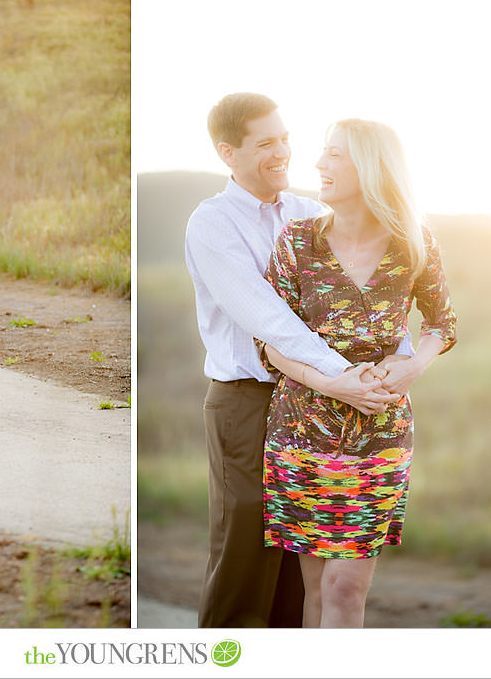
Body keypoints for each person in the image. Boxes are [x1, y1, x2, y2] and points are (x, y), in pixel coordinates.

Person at [184, 93, 407, 628]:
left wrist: (383, 366)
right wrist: (343, 378)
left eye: (284, 138)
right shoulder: (212, 223)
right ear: (227, 152)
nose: (283, 151)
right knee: (244, 550)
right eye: (266, 143)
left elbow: (367, 305)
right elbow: (271, 321)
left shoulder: (312, 215)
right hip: (246, 400)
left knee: (298, 561)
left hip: (313, 407)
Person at [258, 118, 457, 627]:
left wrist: (414, 365)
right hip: (303, 431)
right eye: (323, 154)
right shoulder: (297, 242)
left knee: (346, 587)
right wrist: (331, 383)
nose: (319, 165)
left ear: (370, 168)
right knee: (318, 591)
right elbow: (269, 343)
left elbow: (442, 322)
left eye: (334, 155)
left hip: (380, 435)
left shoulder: (414, 244)